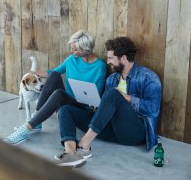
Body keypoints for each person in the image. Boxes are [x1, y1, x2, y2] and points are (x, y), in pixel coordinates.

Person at [55, 37, 162, 167]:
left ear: (123, 58)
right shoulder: (112, 79)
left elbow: (153, 109)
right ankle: (71, 153)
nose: (107, 61)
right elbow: (108, 107)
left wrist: (126, 97)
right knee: (65, 109)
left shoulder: (149, 77)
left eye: (111, 58)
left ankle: (83, 146)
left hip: (135, 133)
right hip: (112, 129)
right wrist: (98, 106)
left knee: (113, 93)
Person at [4, 30, 107, 145]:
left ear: (85, 49)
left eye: (75, 49)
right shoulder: (72, 60)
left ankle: (27, 127)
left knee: (59, 93)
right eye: (72, 48)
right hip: (68, 101)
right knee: (54, 76)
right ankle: (36, 122)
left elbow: (97, 94)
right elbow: (54, 72)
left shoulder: (100, 67)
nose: (72, 51)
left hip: (83, 108)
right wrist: (33, 73)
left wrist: (94, 104)